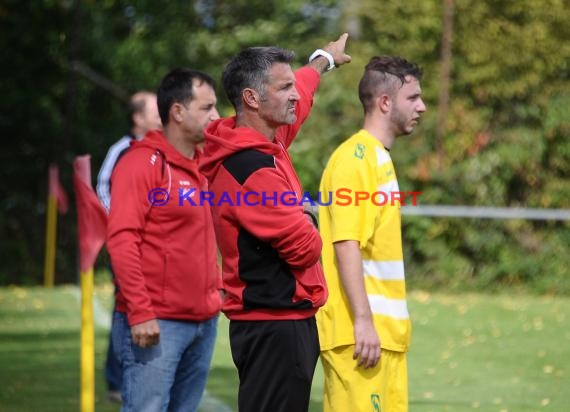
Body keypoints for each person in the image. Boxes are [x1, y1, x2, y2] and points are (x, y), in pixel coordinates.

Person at [199, 34, 351, 412]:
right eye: (283, 88)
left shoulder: (264, 138)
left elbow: (303, 90)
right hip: (275, 325)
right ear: (252, 98)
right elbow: (306, 247)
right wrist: (308, 213)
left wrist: (322, 61)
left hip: (276, 320)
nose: (294, 95)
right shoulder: (253, 169)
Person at [106, 68, 222, 412]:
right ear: (177, 112)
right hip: (157, 323)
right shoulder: (141, 163)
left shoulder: (206, 165)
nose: (216, 116)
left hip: (204, 322)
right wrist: (140, 311)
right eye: (207, 107)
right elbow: (122, 240)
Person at [315, 56, 427, 412]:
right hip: (359, 338)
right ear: (384, 102)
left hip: (384, 338)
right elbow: (346, 243)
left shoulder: (378, 158)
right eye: (413, 98)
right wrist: (363, 322)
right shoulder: (355, 159)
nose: (422, 107)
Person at [96, 91, 162, 402]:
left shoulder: (163, 150)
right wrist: (125, 224)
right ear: (138, 118)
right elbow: (103, 190)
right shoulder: (122, 150)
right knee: (127, 310)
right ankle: (117, 381)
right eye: (154, 109)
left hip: (154, 249)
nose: (162, 113)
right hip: (128, 245)